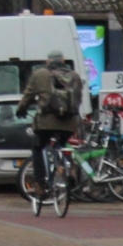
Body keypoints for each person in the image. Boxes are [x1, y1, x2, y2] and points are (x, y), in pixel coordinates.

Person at [21, 51, 84, 191]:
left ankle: (40, 182)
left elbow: (28, 95)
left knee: (38, 147)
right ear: (63, 60)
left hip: (46, 123)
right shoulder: (75, 76)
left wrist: (21, 110)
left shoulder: (40, 74)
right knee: (63, 145)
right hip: (69, 123)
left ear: (48, 62)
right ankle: (69, 168)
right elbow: (78, 99)